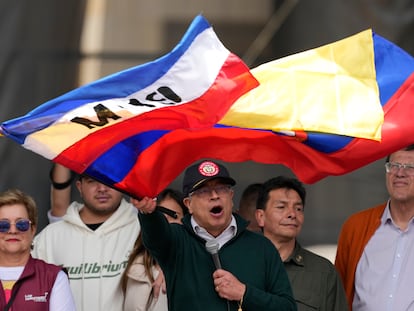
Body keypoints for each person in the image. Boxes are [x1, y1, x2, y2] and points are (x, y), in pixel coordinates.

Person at [133, 159, 296, 311]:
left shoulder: (261, 246)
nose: (215, 196)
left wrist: (244, 294)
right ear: (189, 205)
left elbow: (287, 307)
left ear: (231, 197)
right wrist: (147, 212)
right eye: (204, 191)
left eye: (221, 189)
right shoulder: (176, 241)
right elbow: (156, 234)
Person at [32, 169, 140, 311]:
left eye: (109, 181)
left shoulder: (141, 230)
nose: (102, 189)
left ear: (122, 183)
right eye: (92, 181)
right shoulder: (50, 236)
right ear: (79, 187)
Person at [335, 144, 414, 311]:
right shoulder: (356, 226)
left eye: (410, 167)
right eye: (394, 166)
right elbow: (338, 294)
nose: (400, 173)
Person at [255, 176, 348, 311]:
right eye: (281, 207)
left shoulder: (323, 272)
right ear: (260, 217)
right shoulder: (239, 265)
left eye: (298, 209)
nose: (292, 214)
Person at [0, 189, 75, 310]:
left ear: (33, 229)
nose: (13, 231)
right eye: (3, 225)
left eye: (21, 224)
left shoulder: (54, 277)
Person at [122, 188, 188, 311]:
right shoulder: (133, 265)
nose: (165, 224)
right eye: (159, 217)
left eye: (174, 216)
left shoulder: (194, 266)